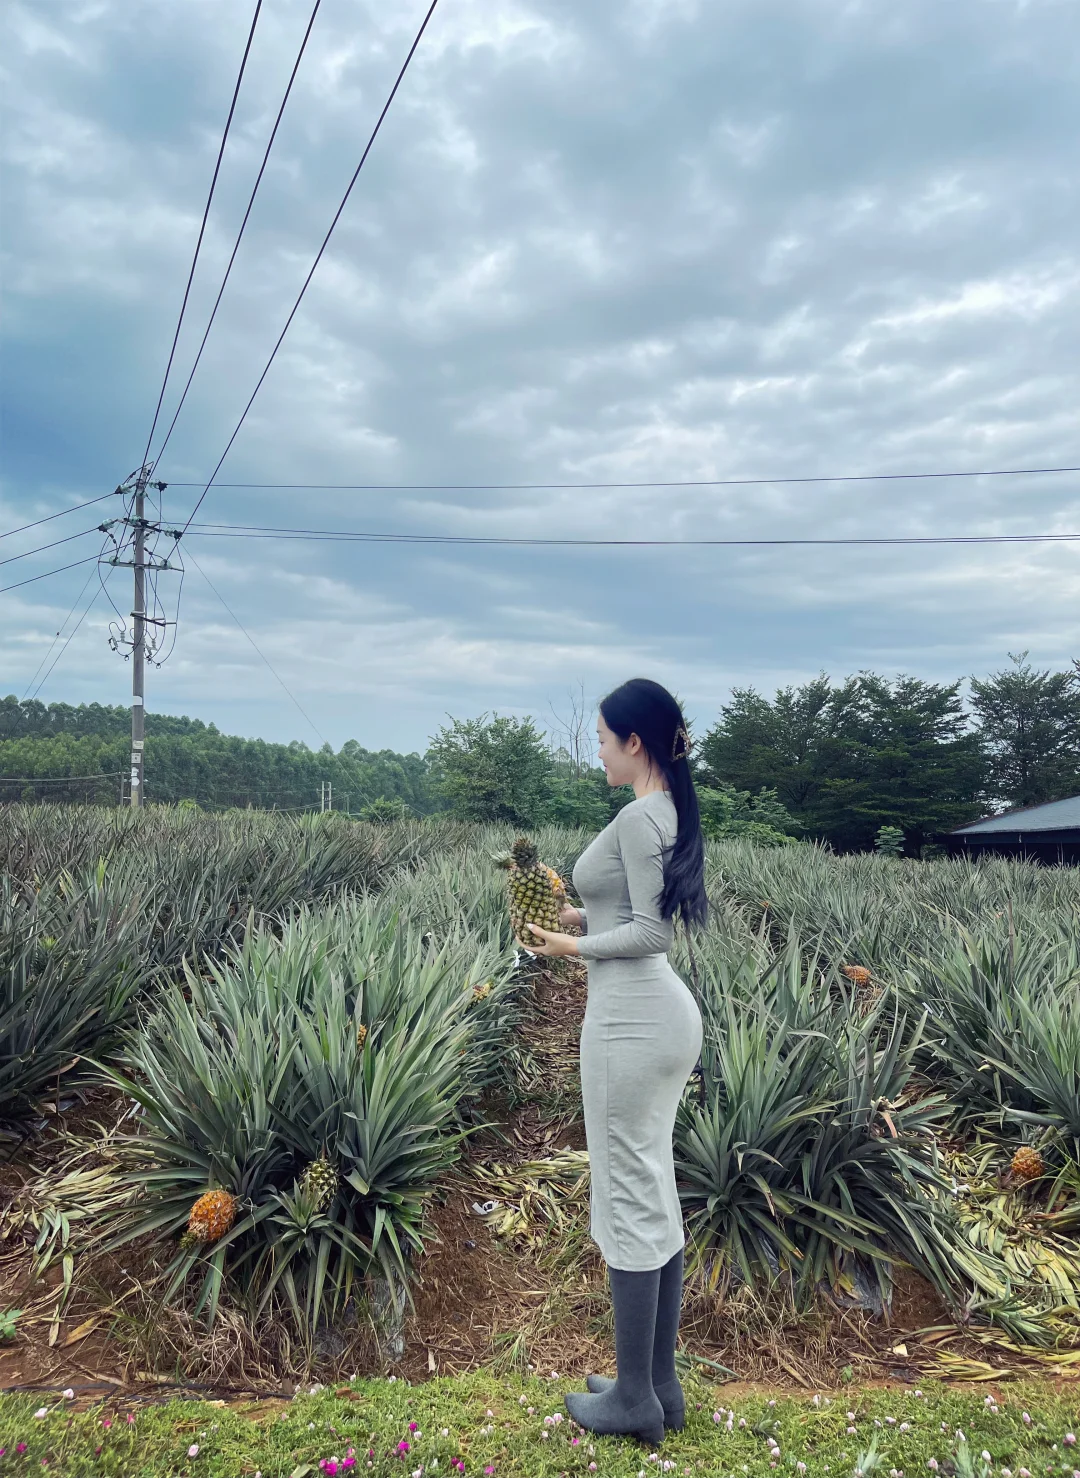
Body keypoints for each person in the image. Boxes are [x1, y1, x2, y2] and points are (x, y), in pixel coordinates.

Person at [524, 676, 707, 1447]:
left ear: (634, 742)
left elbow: (648, 934)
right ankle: (657, 1384)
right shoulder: (665, 810)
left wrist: (567, 945)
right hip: (661, 1019)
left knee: (627, 1197)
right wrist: (569, 914)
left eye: (601, 738)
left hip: (630, 1022)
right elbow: (624, 911)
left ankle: (633, 1398)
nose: (596, 749)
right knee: (652, 1190)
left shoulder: (638, 816)